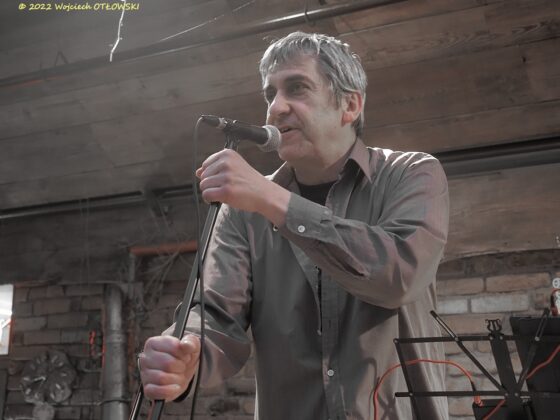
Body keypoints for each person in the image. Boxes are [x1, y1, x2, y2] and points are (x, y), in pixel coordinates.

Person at [139, 32, 450, 420]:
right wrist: (189, 352)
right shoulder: (242, 210)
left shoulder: (412, 173)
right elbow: (217, 316)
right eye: (270, 94)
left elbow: (400, 274)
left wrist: (272, 200)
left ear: (350, 105)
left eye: (297, 88)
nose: (275, 108)